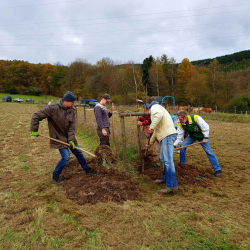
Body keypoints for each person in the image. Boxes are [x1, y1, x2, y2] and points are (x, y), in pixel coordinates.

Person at [30, 91, 98, 185]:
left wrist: (71, 140)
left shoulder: (72, 111)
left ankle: (86, 169)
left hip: (69, 137)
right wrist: (34, 129)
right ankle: (55, 176)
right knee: (66, 157)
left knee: (78, 152)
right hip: (58, 137)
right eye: (72, 102)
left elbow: (71, 128)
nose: (74, 104)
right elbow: (36, 115)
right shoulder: (52, 108)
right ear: (66, 101)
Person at [174, 110, 222, 177]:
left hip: (201, 136)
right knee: (182, 147)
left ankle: (217, 169)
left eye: (180, 119)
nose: (179, 120)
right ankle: (183, 165)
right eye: (179, 119)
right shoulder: (181, 124)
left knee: (209, 151)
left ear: (185, 117)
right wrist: (174, 145)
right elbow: (179, 136)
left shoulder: (196, 118)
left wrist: (205, 137)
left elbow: (205, 127)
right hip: (191, 136)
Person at [145, 97, 178, 194]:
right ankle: (164, 178)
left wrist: (151, 127)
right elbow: (156, 133)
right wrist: (150, 144)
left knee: (168, 161)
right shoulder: (159, 107)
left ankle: (172, 186)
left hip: (168, 135)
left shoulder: (155, 107)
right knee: (164, 158)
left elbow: (158, 116)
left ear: (148, 104)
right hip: (166, 136)